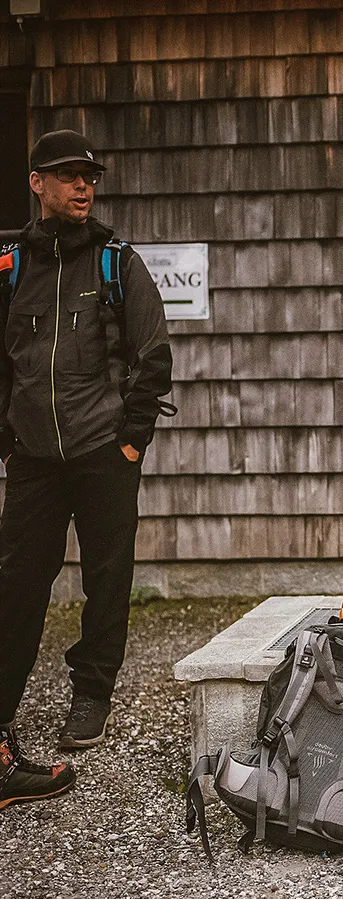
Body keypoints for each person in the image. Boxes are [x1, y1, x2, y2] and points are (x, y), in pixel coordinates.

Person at [0, 130, 173, 809]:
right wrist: (9, 443)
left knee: (106, 575)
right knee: (16, 584)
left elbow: (152, 354)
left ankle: (91, 695)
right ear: (37, 183)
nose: (83, 187)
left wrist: (131, 441)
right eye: (68, 176)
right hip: (35, 459)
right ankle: (3, 716)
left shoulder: (116, 261)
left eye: (89, 177)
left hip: (104, 452)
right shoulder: (10, 265)